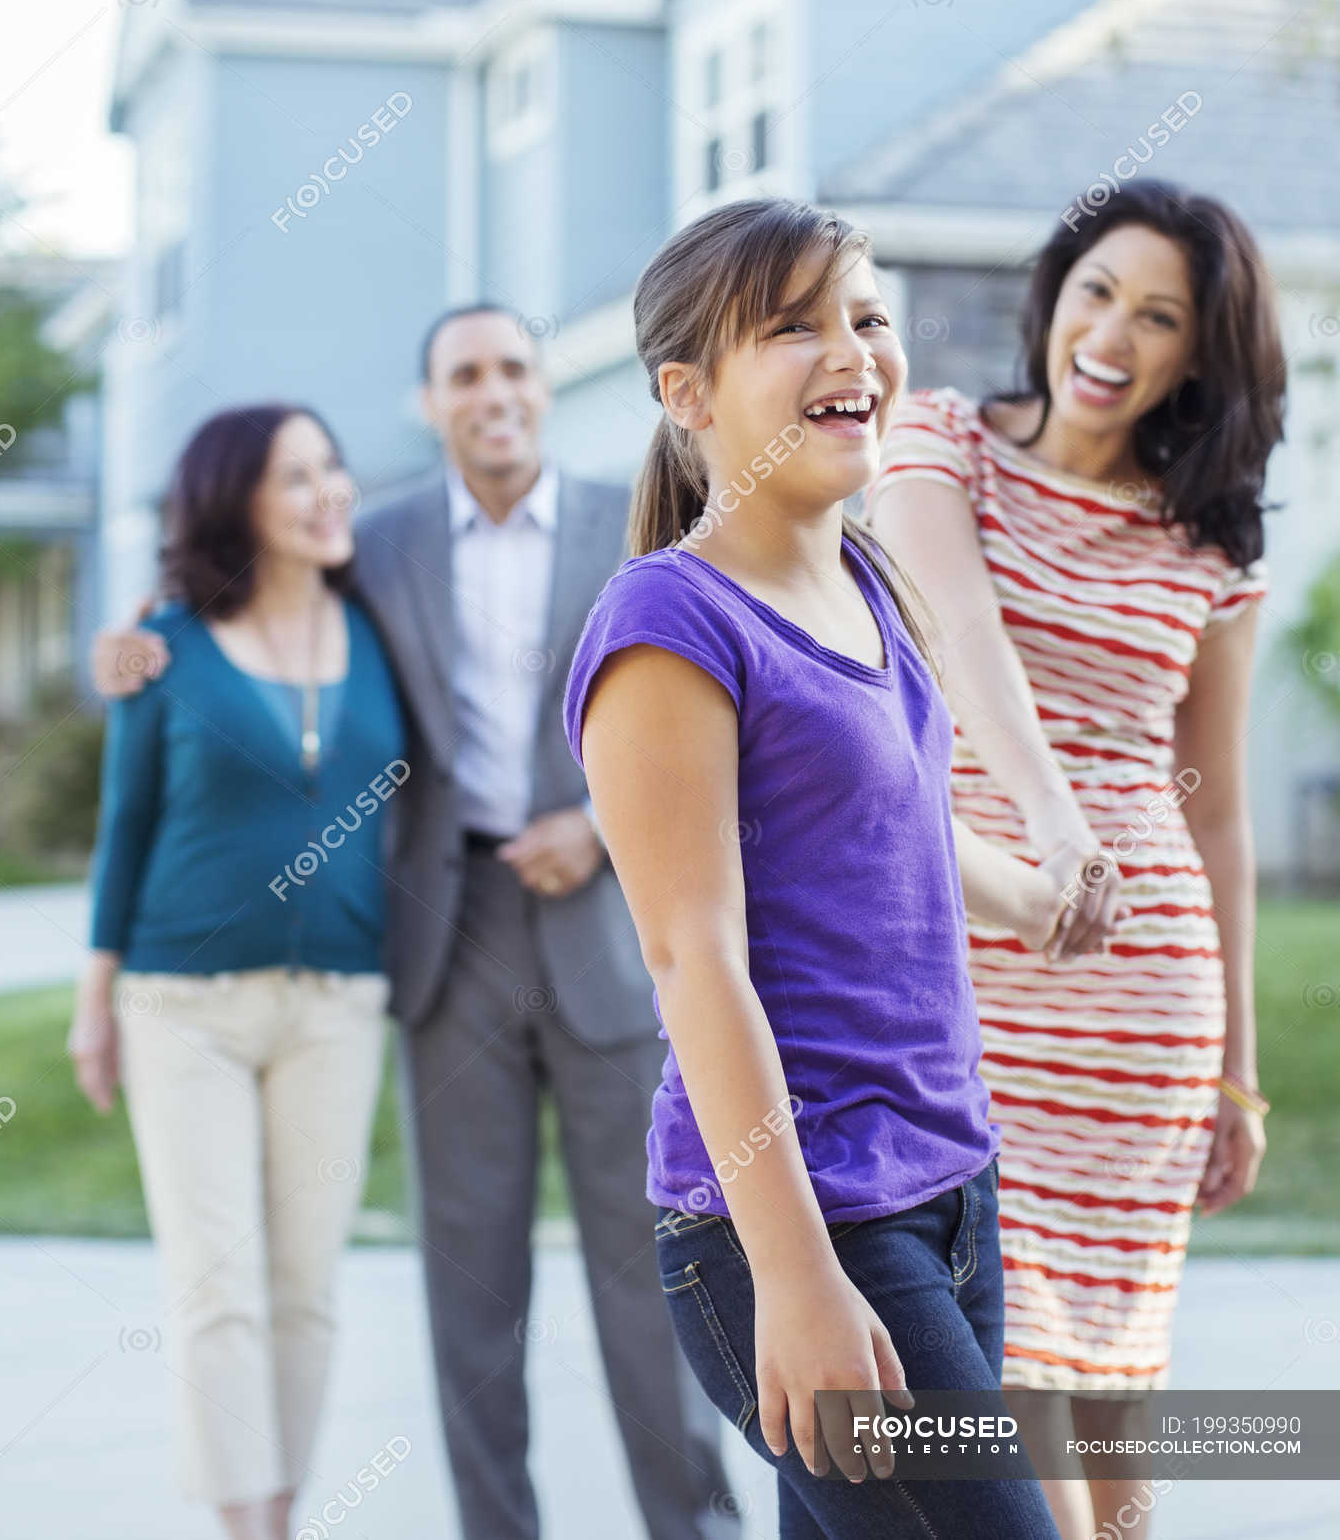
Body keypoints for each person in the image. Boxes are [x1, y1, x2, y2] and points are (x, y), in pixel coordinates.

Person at [92, 306, 739, 1540]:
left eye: (512, 369)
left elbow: (718, 704)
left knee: (654, 1275)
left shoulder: (639, 524)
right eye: (463, 376)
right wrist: (124, 649)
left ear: (543, 387)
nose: (492, 393)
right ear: (430, 404)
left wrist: (601, 825)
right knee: (472, 1293)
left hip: (610, 924)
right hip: (451, 938)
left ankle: (694, 1526)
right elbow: (231, 594)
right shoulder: (373, 541)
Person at [566, 196, 1075, 1538]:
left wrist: (1033, 896)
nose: (852, 349)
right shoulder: (670, 619)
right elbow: (693, 956)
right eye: (793, 326)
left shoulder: (862, 577)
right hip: (797, 1224)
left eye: (865, 315)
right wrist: (792, 1276)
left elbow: (885, 820)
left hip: (948, 1190)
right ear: (689, 391)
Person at [867, 178, 1284, 1540]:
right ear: (1055, 294)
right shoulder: (940, 440)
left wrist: (1240, 1066)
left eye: (1159, 316)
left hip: (1144, 997)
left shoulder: (1208, 540)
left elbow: (1215, 809)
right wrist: (1053, 830)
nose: (1112, 332)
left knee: (1110, 1399)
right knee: (1013, 1379)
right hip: (980, 962)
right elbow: (966, 640)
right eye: (1098, 288)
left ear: (1196, 357)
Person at [68, 404, 405, 1540]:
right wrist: (92, 1000)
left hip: (340, 1001)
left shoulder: (378, 628)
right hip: (182, 1006)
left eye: (331, 464)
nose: (328, 492)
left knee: (306, 1284)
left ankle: (283, 1513)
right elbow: (125, 827)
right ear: (237, 506)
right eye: (294, 477)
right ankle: (246, 1527)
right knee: (218, 1284)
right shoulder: (166, 647)